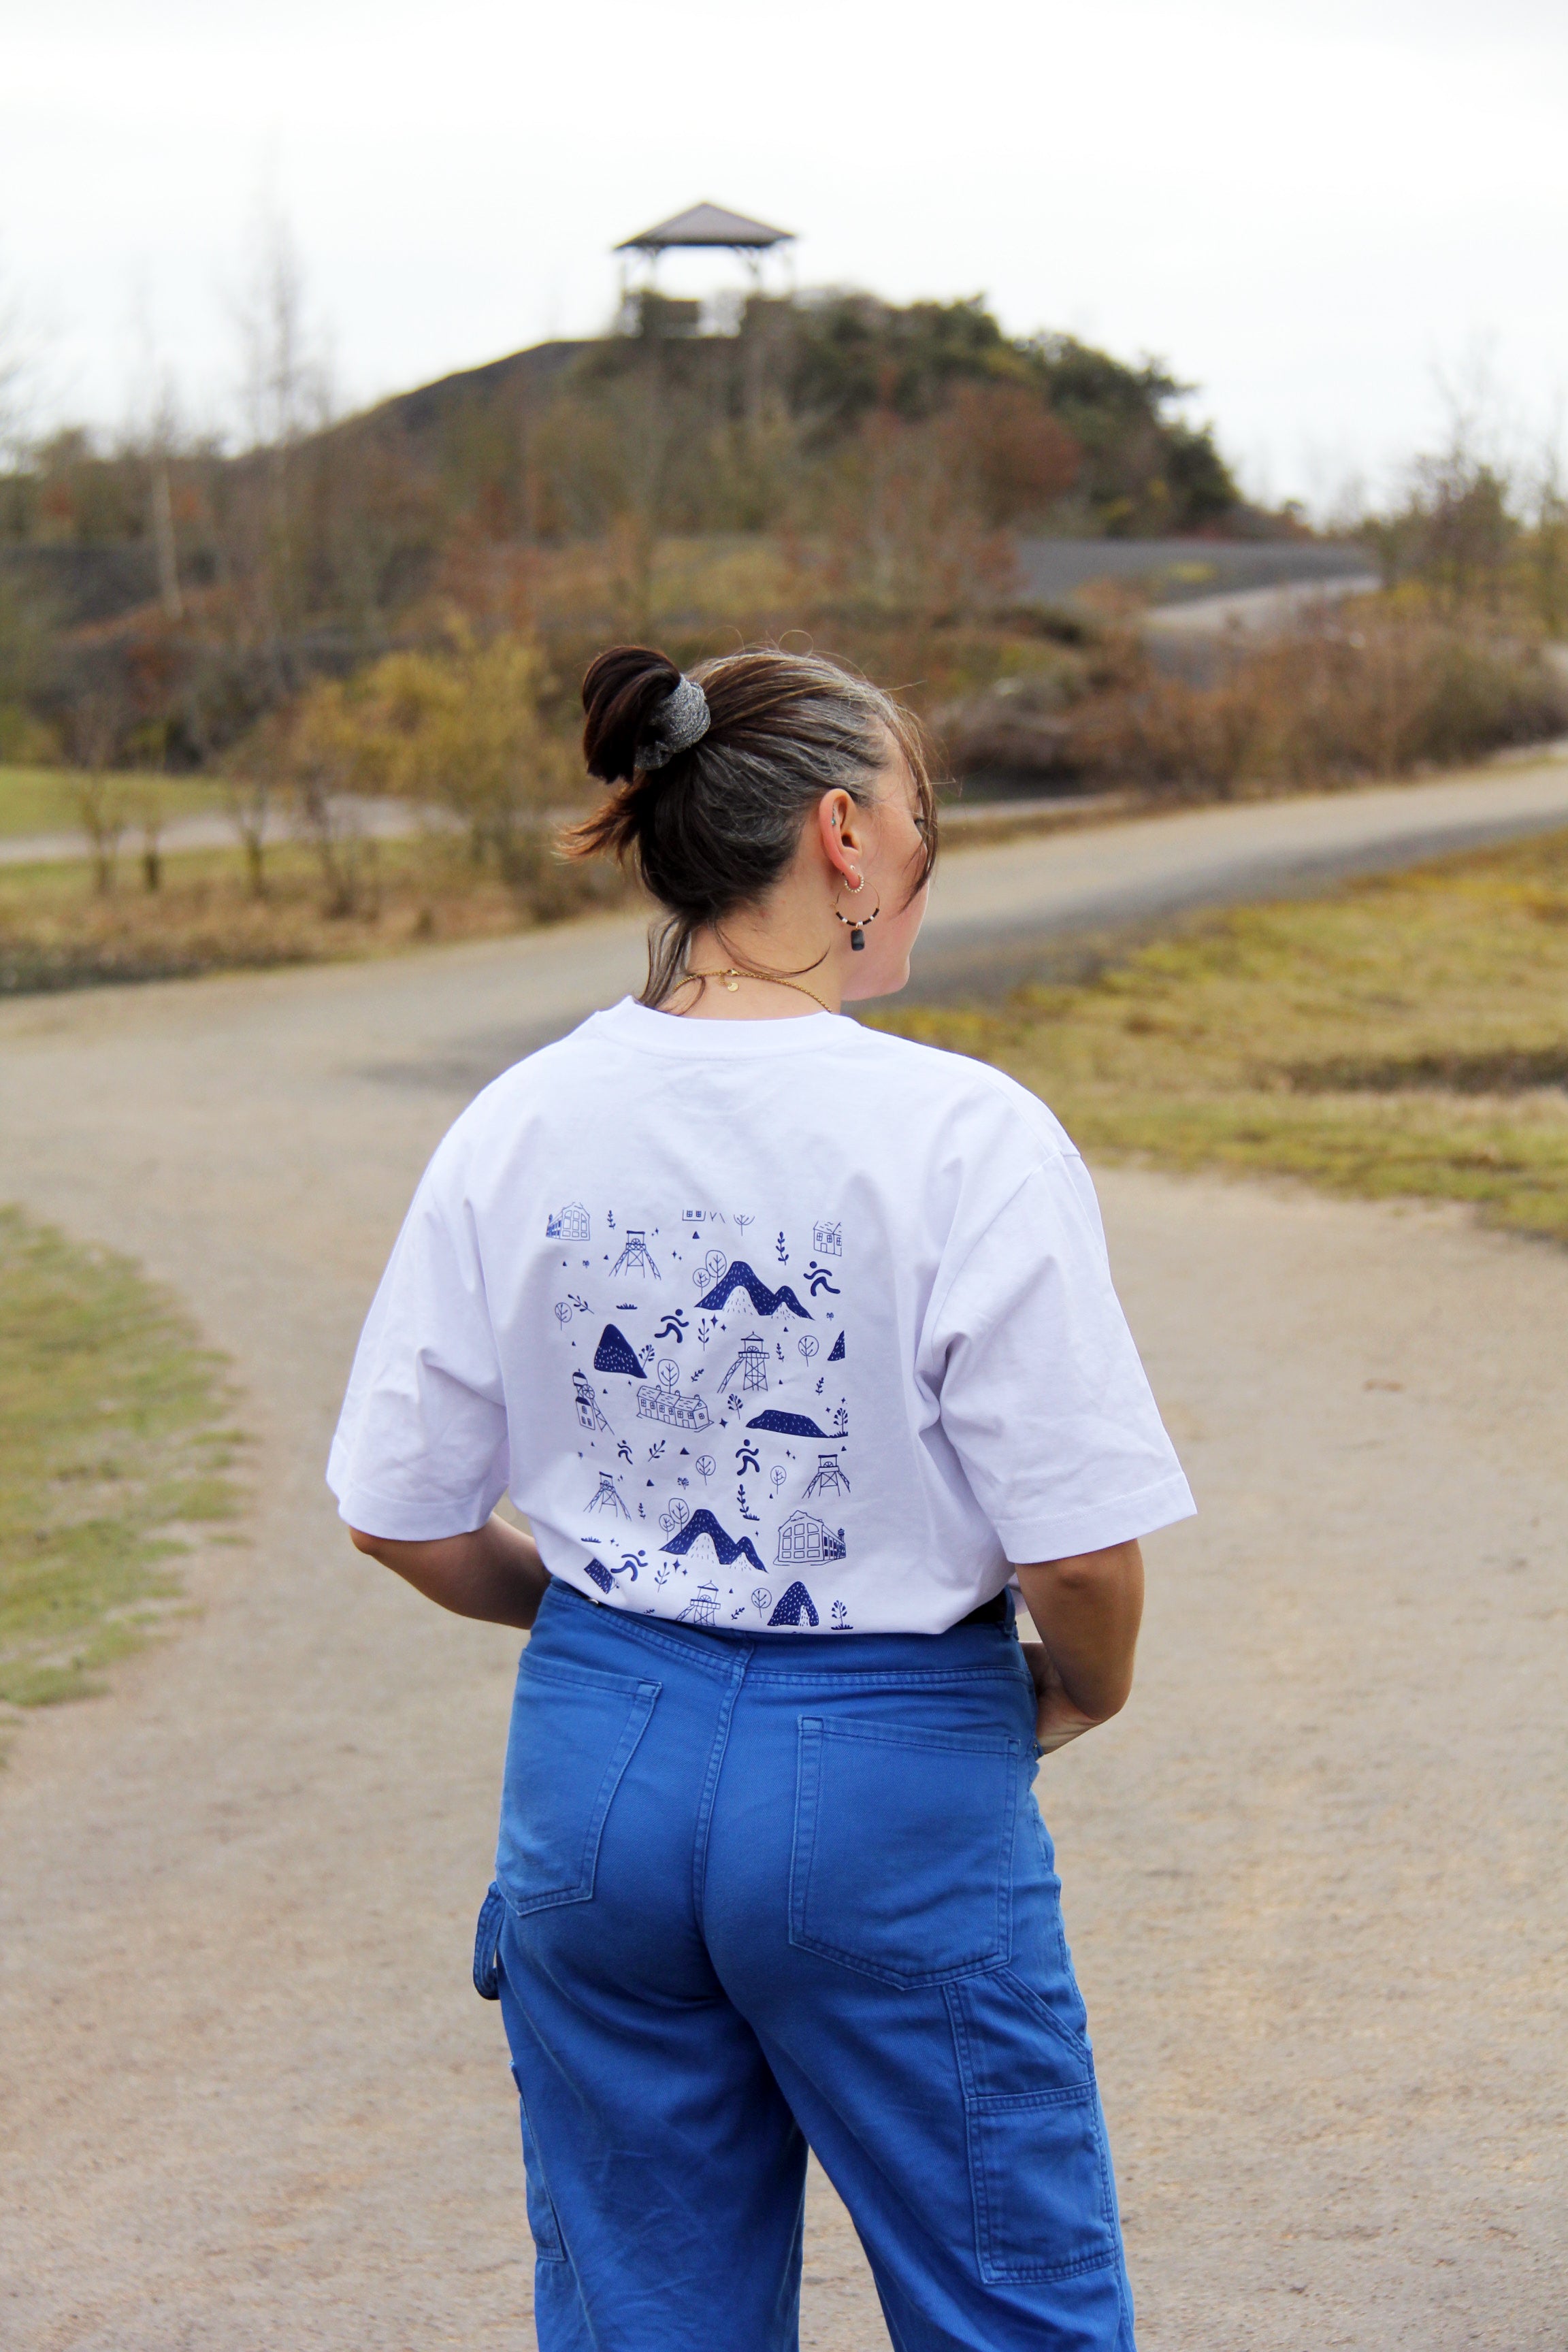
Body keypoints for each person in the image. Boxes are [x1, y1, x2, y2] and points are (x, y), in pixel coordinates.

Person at [329, 644, 1195, 2352]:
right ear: (845, 835)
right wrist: (1082, 1688)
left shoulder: (517, 1121)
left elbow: (400, 1513)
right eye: (925, 816)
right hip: (890, 1777)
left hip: (598, 1766)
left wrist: (588, 1625)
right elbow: (1076, 1548)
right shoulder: (966, 1136)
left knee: (645, 2315)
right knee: (1007, 2304)